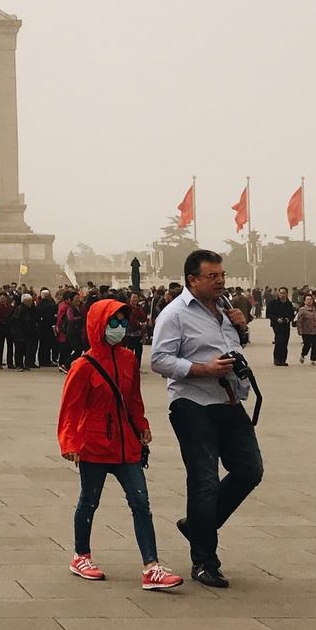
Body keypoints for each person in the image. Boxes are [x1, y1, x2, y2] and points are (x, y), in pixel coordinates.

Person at [148, 250, 260, 590]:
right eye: (212, 276)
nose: (220, 281)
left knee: (249, 470)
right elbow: (159, 359)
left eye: (222, 275)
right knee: (204, 480)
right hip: (192, 403)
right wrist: (202, 370)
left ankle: (197, 525)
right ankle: (205, 561)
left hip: (228, 400)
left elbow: (233, 346)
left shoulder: (225, 309)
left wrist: (241, 329)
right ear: (192, 279)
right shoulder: (175, 314)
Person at [58, 296, 182, 592]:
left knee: (141, 502)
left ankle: (151, 566)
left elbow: (133, 399)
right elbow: (70, 408)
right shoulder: (83, 366)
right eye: (113, 322)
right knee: (89, 501)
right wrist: (70, 442)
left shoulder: (128, 358)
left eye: (123, 322)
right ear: (99, 325)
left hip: (126, 444)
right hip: (95, 443)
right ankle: (81, 555)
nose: (119, 327)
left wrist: (142, 426)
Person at [264, 287, 294, 367]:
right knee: (279, 340)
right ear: (278, 293)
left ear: (287, 294)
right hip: (276, 325)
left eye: (284, 293)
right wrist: (277, 319)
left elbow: (292, 314)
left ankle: (283, 360)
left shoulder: (289, 304)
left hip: (286, 325)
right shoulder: (273, 303)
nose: (282, 295)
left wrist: (288, 319)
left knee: (285, 341)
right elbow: (269, 314)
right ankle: (277, 359)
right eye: (281, 293)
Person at [293, 299, 316, 366]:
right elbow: (299, 321)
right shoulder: (302, 310)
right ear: (304, 301)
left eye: (310, 299)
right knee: (307, 345)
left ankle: (313, 360)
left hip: (315, 330)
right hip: (306, 330)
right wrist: (299, 330)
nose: (309, 301)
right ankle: (303, 355)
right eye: (307, 300)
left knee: (315, 345)